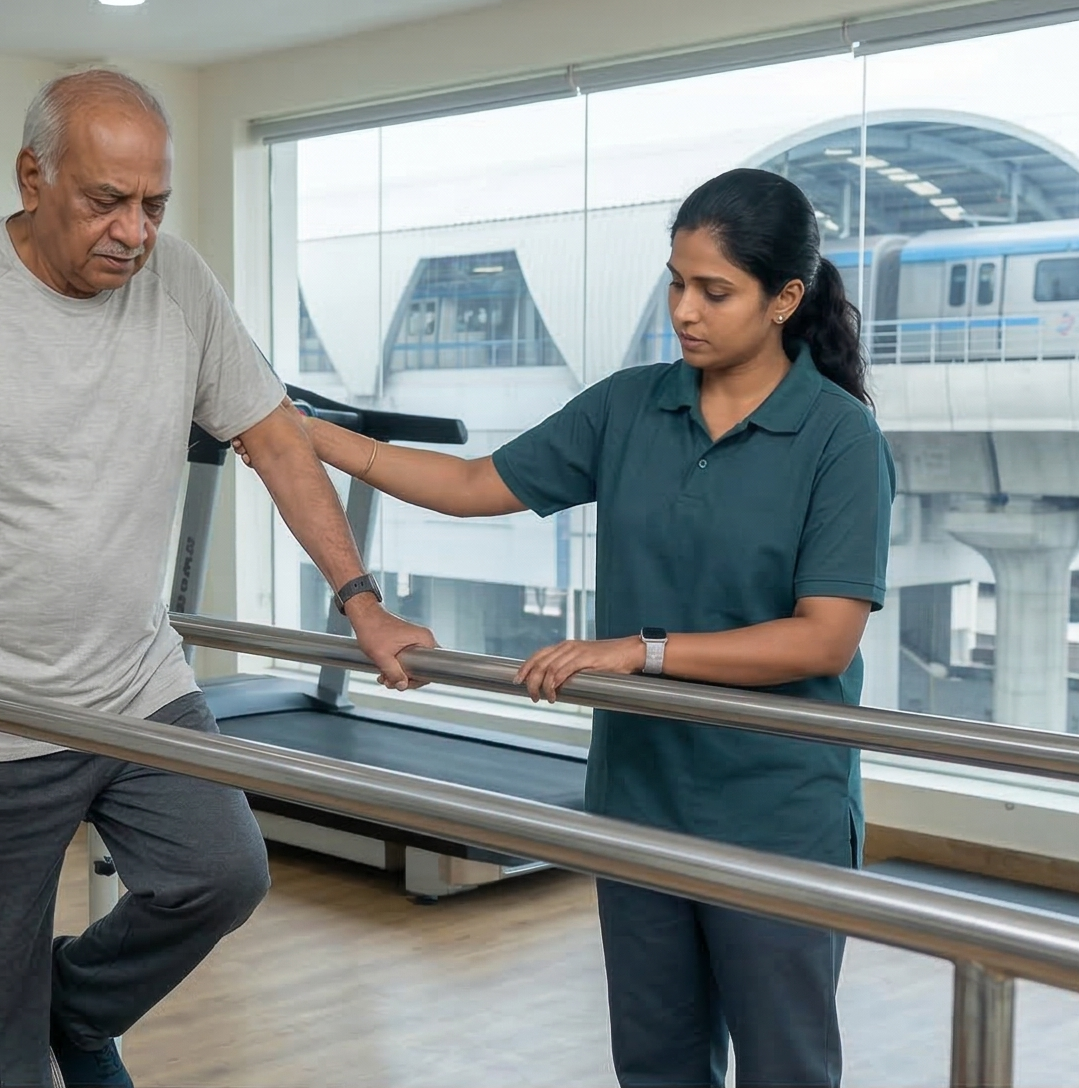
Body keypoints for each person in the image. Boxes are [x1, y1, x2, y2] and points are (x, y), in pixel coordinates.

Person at [0, 69, 437, 1088]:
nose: (134, 232)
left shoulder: (179, 283)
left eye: (153, 204)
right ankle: (22, 1020)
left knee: (220, 876)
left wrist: (359, 599)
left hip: (136, 686)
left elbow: (274, 439)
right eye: (106, 200)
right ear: (32, 177)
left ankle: (72, 1005)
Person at [275, 167, 892, 1088]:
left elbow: (822, 640)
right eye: (677, 282)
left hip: (775, 809)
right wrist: (306, 432)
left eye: (714, 291)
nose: (685, 308)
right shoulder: (633, 404)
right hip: (640, 793)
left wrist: (640, 654)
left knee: (785, 1069)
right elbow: (472, 485)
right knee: (654, 1062)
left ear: (785, 299)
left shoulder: (840, 439)